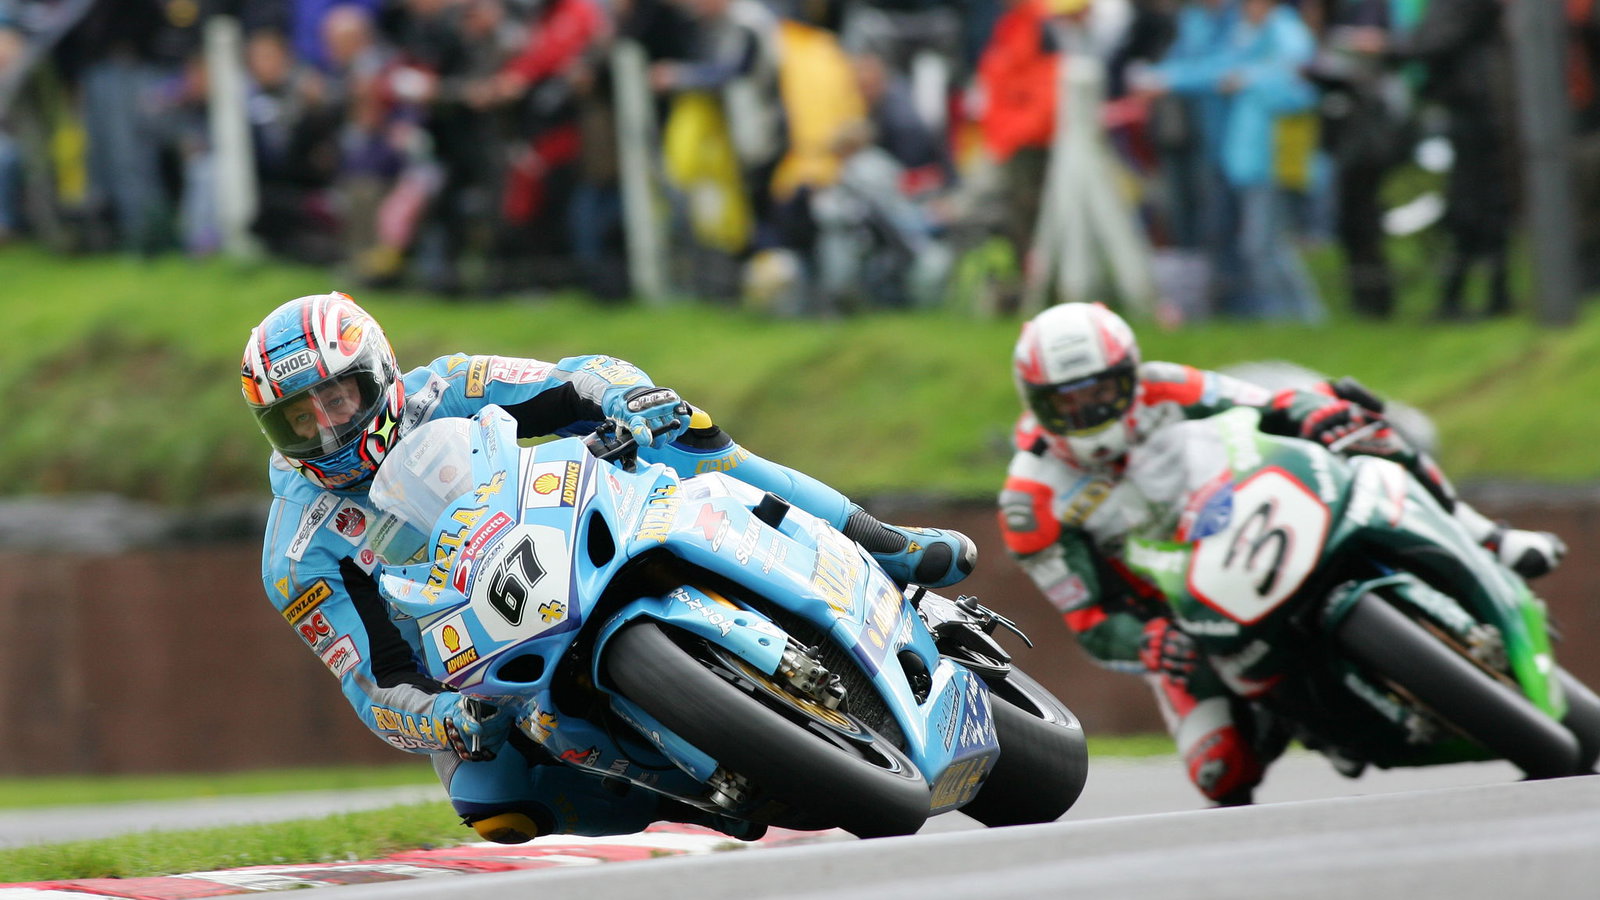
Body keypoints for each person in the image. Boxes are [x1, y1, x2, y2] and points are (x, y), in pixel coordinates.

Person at [240, 292, 975, 843]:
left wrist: (631, 396)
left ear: (379, 372)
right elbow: (375, 684)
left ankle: (882, 541)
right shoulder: (298, 555)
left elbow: (577, 379)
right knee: (493, 807)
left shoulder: (449, 388)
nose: (329, 426)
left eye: (338, 396)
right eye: (300, 418)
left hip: (572, 529)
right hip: (482, 657)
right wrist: (446, 719)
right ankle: (701, 794)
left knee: (691, 435)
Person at [996, 302, 1566, 805]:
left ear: (1129, 374)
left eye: (1101, 392)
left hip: (1257, 519)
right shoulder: (1030, 502)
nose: (1088, 414)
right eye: (1066, 403)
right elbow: (1090, 621)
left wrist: (1315, 413)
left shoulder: (1166, 386)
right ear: (1036, 404)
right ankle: (1293, 714)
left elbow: (1270, 404)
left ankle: (1487, 536)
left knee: (1365, 430)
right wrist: (1148, 639)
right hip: (1185, 612)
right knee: (1220, 773)